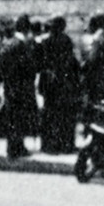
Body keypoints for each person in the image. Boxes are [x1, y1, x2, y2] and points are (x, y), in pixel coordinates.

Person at [37, 16, 80, 154]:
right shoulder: (66, 40)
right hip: (63, 83)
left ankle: (49, 145)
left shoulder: (45, 41)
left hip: (51, 84)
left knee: (50, 115)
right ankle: (66, 144)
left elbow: (40, 64)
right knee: (64, 115)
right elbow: (71, 62)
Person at [0, 17, 37, 159]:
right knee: (19, 117)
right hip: (20, 85)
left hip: (9, 85)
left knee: (11, 117)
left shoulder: (4, 45)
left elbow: (0, 67)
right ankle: (18, 148)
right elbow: (28, 66)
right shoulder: (20, 44)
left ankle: (12, 147)